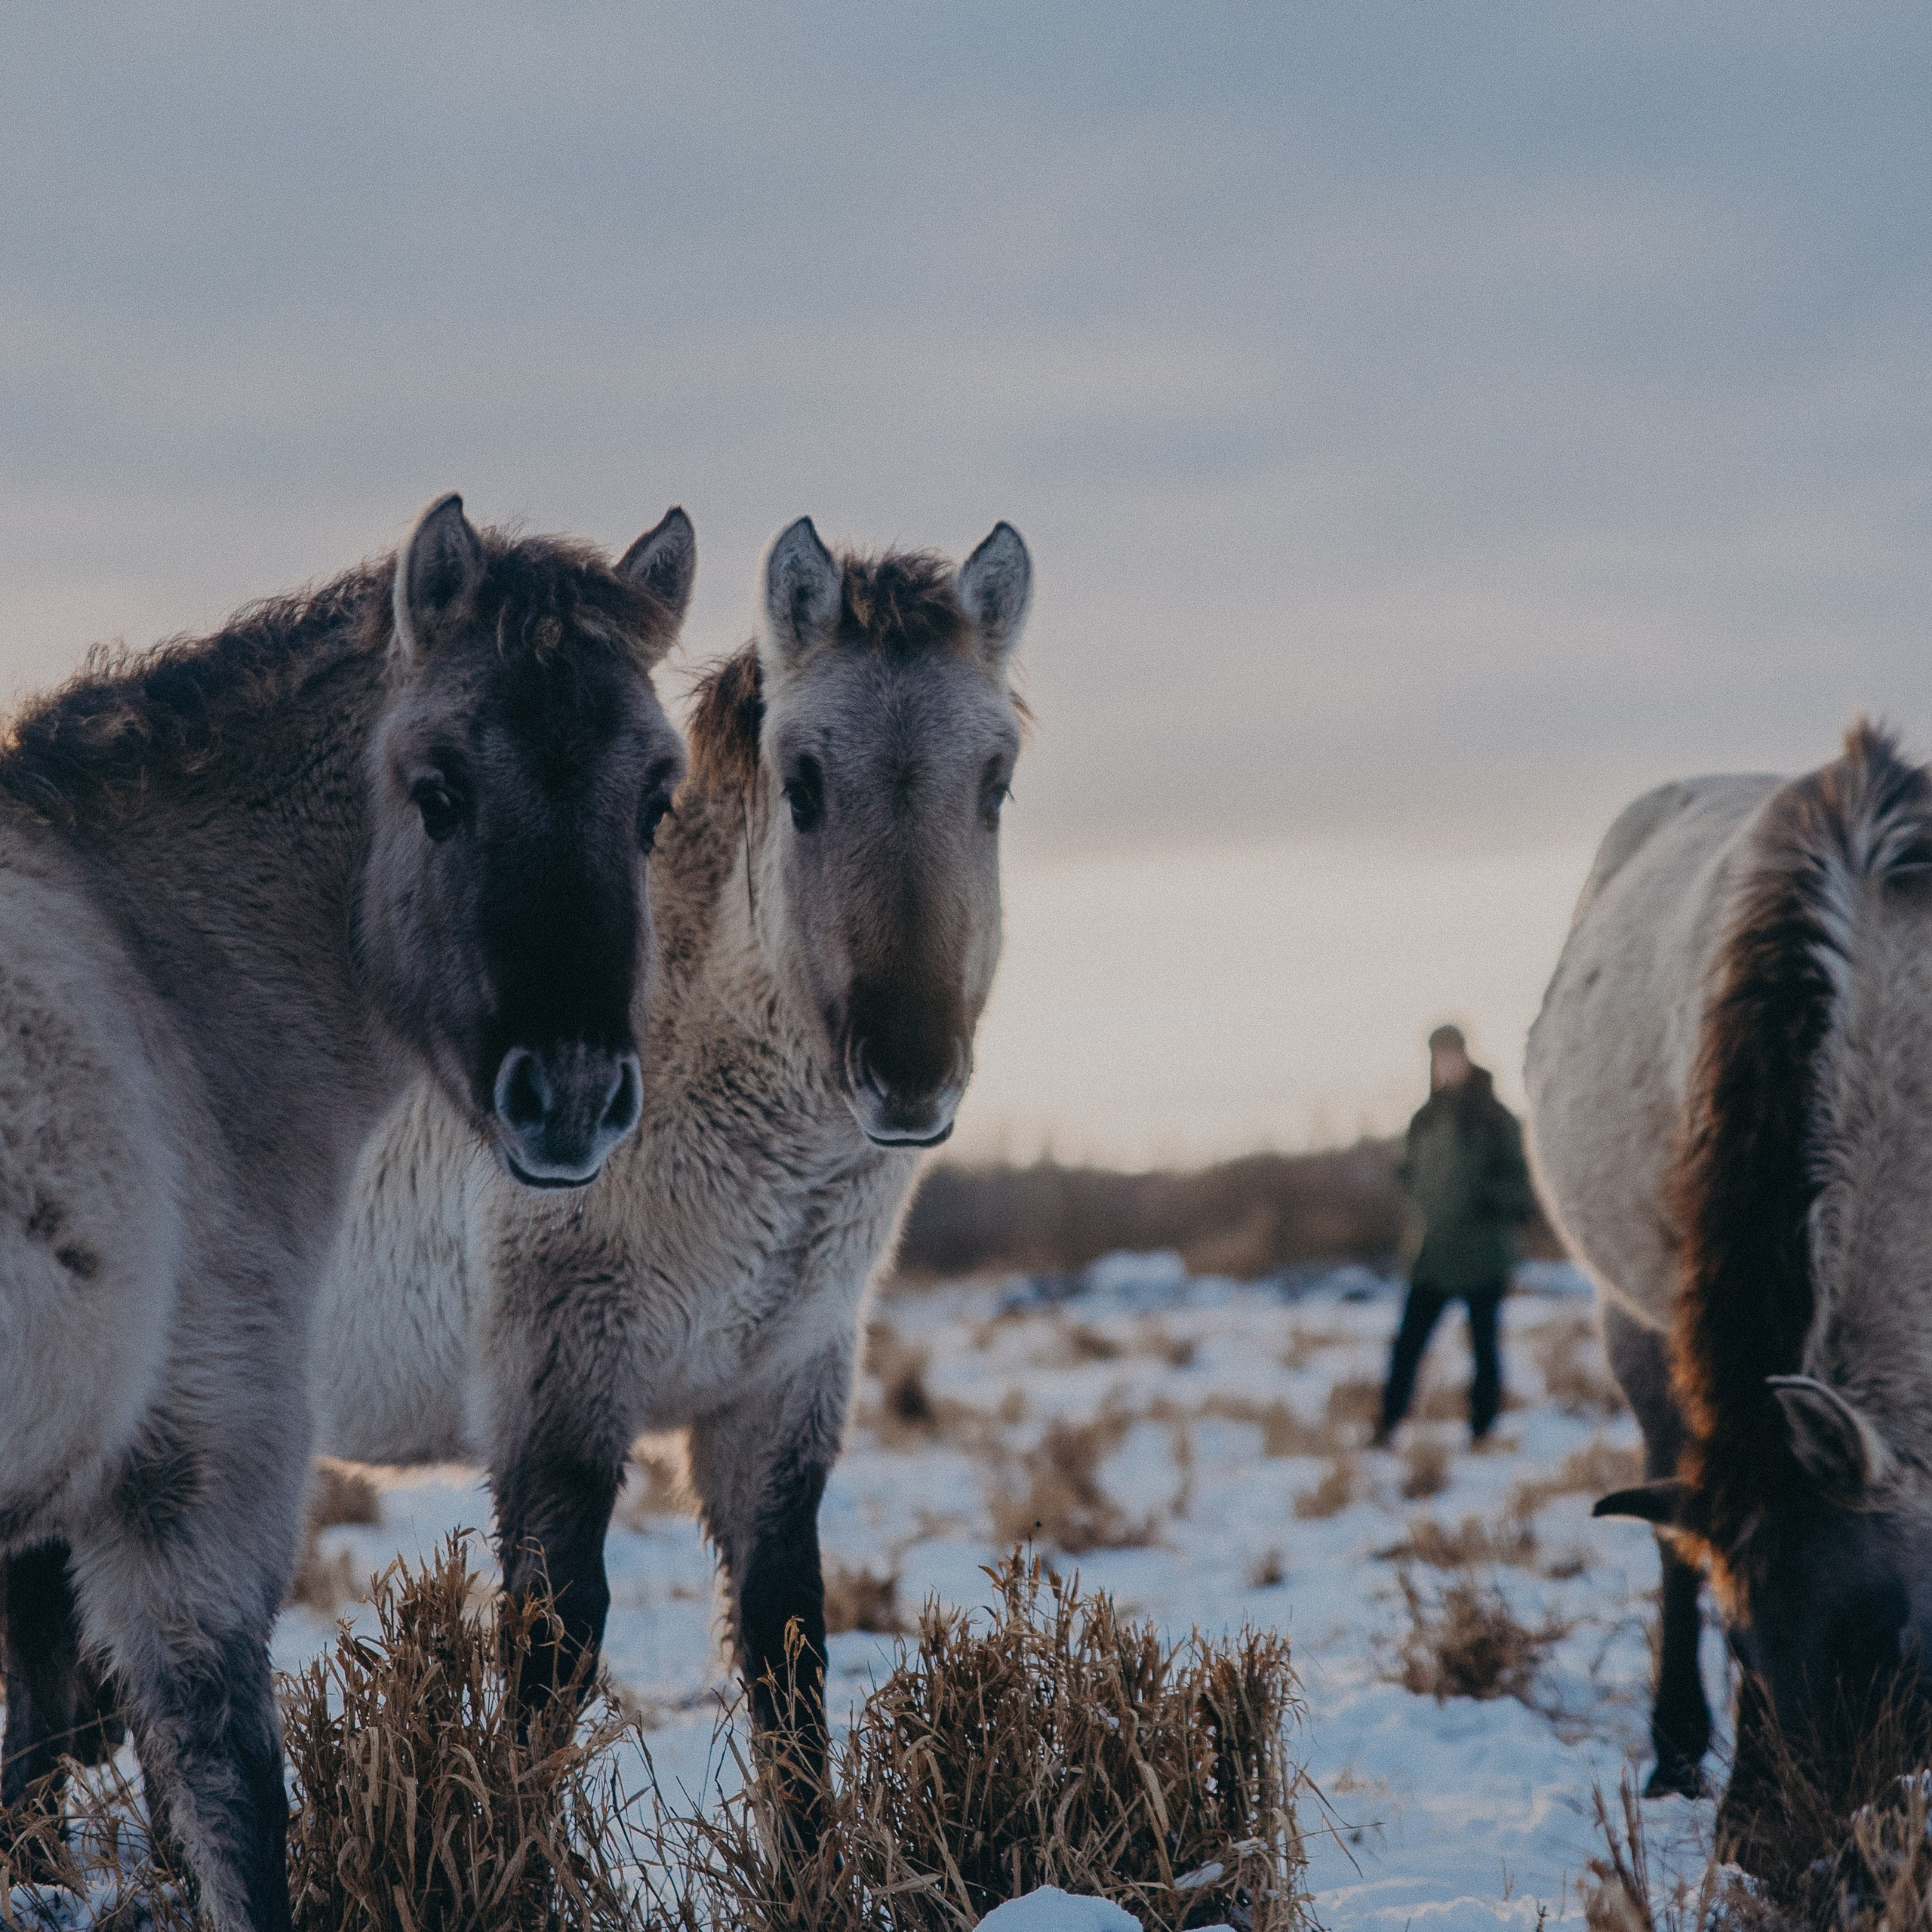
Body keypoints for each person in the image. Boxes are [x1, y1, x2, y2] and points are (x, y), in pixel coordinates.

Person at [1374, 1024, 1534, 1446]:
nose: (1445, 1063)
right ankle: (1388, 1425)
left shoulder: (1493, 1117)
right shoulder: (1424, 1118)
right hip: (1433, 1256)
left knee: (1484, 1350)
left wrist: (1486, 1200)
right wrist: (1425, 1211)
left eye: (1450, 1054)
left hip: (1484, 1257)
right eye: (1437, 1055)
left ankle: (1482, 1431)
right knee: (1407, 1346)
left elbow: (1521, 1184)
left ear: (1464, 1055)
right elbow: (1404, 1172)